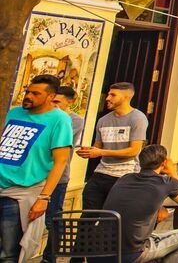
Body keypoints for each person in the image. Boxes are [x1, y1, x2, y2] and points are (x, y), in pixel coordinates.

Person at [0, 75, 73, 263]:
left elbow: (60, 162)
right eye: (27, 91)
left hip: (20, 194)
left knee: (9, 252)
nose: (28, 96)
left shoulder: (60, 120)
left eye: (35, 93)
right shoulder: (14, 113)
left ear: (50, 97)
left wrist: (43, 198)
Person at [103, 144, 178, 263]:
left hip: (98, 251)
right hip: (131, 254)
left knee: (153, 236)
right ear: (164, 162)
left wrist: (159, 207)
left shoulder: (124, 178)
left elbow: (135, 200)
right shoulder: (167, 183)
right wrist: (174, 174)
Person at [77, 82, 149, 210]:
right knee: (89, 212)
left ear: (126, 97)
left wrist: (100, 152)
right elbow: (98, 147)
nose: (107, 98)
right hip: (101, 171)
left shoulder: (138, 118)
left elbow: (133, 151)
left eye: (113, 95)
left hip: (125, 174)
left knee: (114, 215)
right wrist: (88, 151)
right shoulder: (103, 120)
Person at [41, 86, 85, 263]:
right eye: (52, 101)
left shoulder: (73, 120)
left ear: (70, 101)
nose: (54, 105)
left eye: (57, 101)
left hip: (58, 176)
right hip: (36, 176)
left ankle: (50, 257)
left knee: (53, 218)